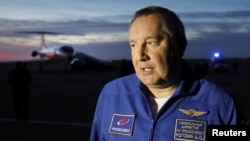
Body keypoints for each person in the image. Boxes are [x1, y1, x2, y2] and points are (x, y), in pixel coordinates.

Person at [90, 6, 245, 140]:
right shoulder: (111, 95)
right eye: (133, 45)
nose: (140, 56)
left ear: (180, 46)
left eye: (151, 43)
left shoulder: (221, 106)